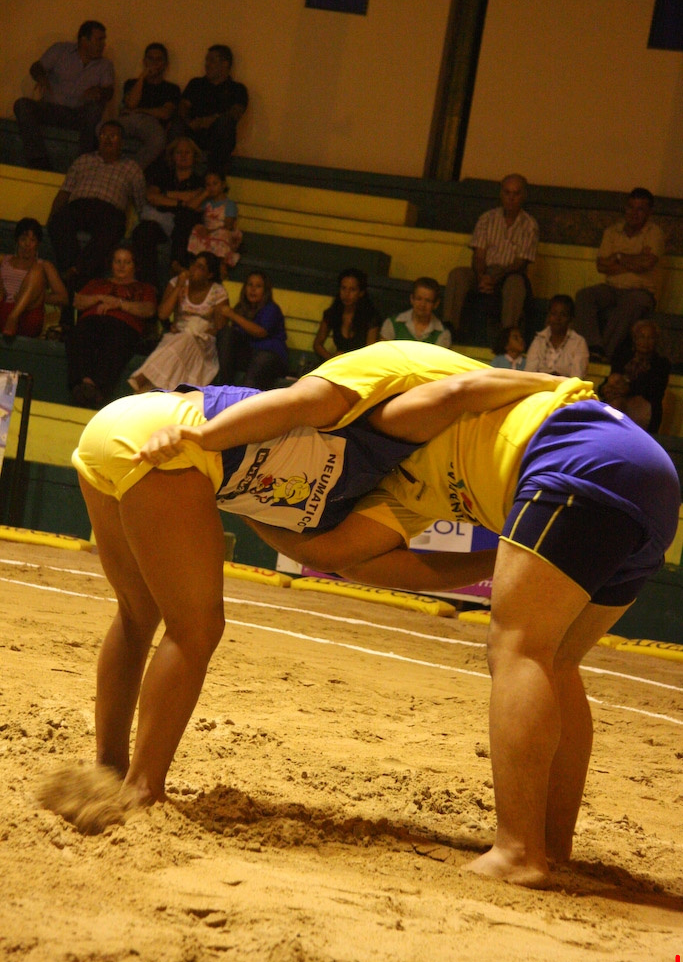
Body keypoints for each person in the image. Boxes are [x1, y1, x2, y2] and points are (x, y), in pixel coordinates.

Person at [236, 344, 679, 889]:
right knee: (557, 661)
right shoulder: (397, 485)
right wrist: (239, 502)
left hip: (575, 450)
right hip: (648, 481)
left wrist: (551, 382)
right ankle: (550, 844)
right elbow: (335, 555)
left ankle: (519, 852)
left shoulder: (382, 411)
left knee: (518, 648)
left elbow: (459, 390)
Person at [71, 341, 573, 816]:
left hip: (119, 431)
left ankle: (108, 773)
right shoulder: (395, 416)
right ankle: (142, 787)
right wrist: (556, 384)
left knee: (138, 615)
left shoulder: (411, 485)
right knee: (195, 630)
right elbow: (310, 402)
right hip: (175, 439)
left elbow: (341, 558)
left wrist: (507, 557)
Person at [47, 120, 146, 328]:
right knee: (57, 220)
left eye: (113, 135)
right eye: (104, 135)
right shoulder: (84, 160)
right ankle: (75, 270)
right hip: (80, 205)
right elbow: (65, 191)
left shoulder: (132, 168)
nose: (107, 139)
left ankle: (75, 271)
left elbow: (141, 204)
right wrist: (53, 216)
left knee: (114, 228)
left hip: (109, 211)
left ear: (122, 142)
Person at [442, 174, 539, 340]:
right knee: (457, 275)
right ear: (501, 194)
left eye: (516, 194)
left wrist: (495, 278)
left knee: (515, 284)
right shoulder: (487, 218)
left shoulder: (530, 225)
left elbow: (520, 263)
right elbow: (479, 255)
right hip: (484, 270)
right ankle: (448, 329)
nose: (511, 198)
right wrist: (482, 276)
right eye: (507, 193)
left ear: (523, 196)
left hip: (510, 274)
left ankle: (508, 336)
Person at [574, 188, 665, 363]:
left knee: (631, 303)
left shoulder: (655, 233)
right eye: (630, 207)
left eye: (640, 209)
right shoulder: (612, 231)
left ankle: (604, 354)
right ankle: (592, 346)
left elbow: (646, 264)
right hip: (611, 288)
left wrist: (618, 257)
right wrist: (635, 260)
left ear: (649, 212)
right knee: (584, 296)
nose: (634, 213)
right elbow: (601, 265)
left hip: (641, 291)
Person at [14, 21, 114, 171]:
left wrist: (99, 91)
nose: (103, 44)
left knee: (95, 110)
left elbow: (109, 92)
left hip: (79, 115)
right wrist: (41, 77)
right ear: (84, 40)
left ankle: (82, 164)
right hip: (51, 109)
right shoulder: (61, 50)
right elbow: (36, 67)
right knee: (22, 104)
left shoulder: (105, 65)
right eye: (99, 39)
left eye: (104, 40)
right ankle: (38, 160)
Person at [67, 246, 157, 407]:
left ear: (135, 265)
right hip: (92, 322)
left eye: (127, 262)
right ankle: (84, 384)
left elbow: (149, 310)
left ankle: (97, 389)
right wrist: (100, 298)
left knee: (116, 338)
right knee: (79, 333)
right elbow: (78, 302)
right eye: (118, 261)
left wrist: (119, 304)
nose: (121, 266)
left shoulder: (144, 288)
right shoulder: (97, 283)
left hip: (123, 326)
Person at [128, 252, 228, 392]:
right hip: (177, 335)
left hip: (203, 341)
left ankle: (144, 380)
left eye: (200, 267)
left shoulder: (218, 292)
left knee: (185, 339)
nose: (193, 269)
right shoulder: (177, 282)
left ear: (209, 274)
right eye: (193, 264)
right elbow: (163, 314)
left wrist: (198, 329)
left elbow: (220, 327)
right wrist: (179, 287)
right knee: (180, 342)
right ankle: (153, 388)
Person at [131, 137, 205, 290]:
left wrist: (166, 195)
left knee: (185, 219)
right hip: (160, 221)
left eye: (187, 152)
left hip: (185, 227)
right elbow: (151, 197)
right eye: (179, 152)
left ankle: (177, 270)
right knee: (143, 231)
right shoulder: (162, 175)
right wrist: (181, 202)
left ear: (194, 156)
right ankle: (149, 286)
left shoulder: (200, 180)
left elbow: (196, 200)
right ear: (172, 156)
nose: (183, 156)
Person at [172, 45, 248, 171]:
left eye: (212, 60)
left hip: (216, 137)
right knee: (177, 124)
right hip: (193, 133)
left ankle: (214, 173)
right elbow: (183, 106)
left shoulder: (237, 89)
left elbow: (235, 114)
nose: (207, 65)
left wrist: (211, 120)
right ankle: (173, 174)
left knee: (225, 124)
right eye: (206, 60)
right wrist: (190, 122)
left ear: (225, 64)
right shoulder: (196, 84)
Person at [216, 270, 288, 389]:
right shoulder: (241, 308)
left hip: (271, 357)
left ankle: (245, 398)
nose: (253, 289)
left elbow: (260, 332)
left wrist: (232, 315)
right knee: (226, 333)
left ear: (265, 291)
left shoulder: (272, 309)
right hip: (249, 354)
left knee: (260, 360)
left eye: (258, 286)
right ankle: (225, 387)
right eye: (250, 285)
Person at [116, 43, 180, 172]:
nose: (154, 63)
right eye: (150, 58)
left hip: (152, 124)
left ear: (165, 64)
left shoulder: (171, 89)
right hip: (129, 120)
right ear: (144, 61)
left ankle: (130, 171)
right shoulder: (132, 83)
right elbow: (131, 103)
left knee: (158, 141)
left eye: (158, 59)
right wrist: (142, 77)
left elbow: (165, 113)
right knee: (101, 128)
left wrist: (140, 110)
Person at [599, 319, 671, 434]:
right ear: (635, 339)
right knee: (612, 396)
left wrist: (627, 389)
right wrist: (605, 389)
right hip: (617, 397)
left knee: (616, 404)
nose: (645, 341)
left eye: (650, 338)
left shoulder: (661, 363)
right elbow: (611, 378)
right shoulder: (623, 357)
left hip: (643, 405)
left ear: (656, 340)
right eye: (642, 337)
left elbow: (654, 390)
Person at [0, 217, 68, 337]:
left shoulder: (44, 265)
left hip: (29, 313)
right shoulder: (4, 260)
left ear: (38, 243)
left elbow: (63, 298)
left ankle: (13, 316)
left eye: (32, 240)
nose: (27, 244)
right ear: (17, 240)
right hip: (4, 308)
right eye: (23, 239)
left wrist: (33, 296)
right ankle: (11, 317)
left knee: (37, 269)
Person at [313, 268, 381, 360]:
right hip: (338, 363)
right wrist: (332, 359)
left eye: (352, 290)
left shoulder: (371, 317)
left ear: (361, 293)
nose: (347, 294)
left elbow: (370, 353)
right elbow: (317, 344)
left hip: (360, 363)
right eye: (343, 288)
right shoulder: (333, 313)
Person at [187, 169, 242, 268]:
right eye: (208, 185)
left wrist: (210, 231)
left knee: (222, 234)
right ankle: (197, 262)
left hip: (222, 231)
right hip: (208, 231)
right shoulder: (207, 202)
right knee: (196, 229)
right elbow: (190, 208)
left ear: (223, 185)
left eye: (215, 184)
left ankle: (220, 263)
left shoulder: (229, 204)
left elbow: (228, 226)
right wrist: (204, 194)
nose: (211, 187)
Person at [524, 295, 589, 378]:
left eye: (563, 314)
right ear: (548, 316)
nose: (558, 318)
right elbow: (529, 374)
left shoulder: (579, 343)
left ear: (571, 318)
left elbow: (577, 377)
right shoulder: (539, 340)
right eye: (554, 314)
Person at [380, 278, 452, 347]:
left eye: (428, 301)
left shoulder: (443, 334)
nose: (422, 305)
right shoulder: (392, 324)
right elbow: (383, 352)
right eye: (419, 299)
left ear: (436, 304)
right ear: (412, 299)